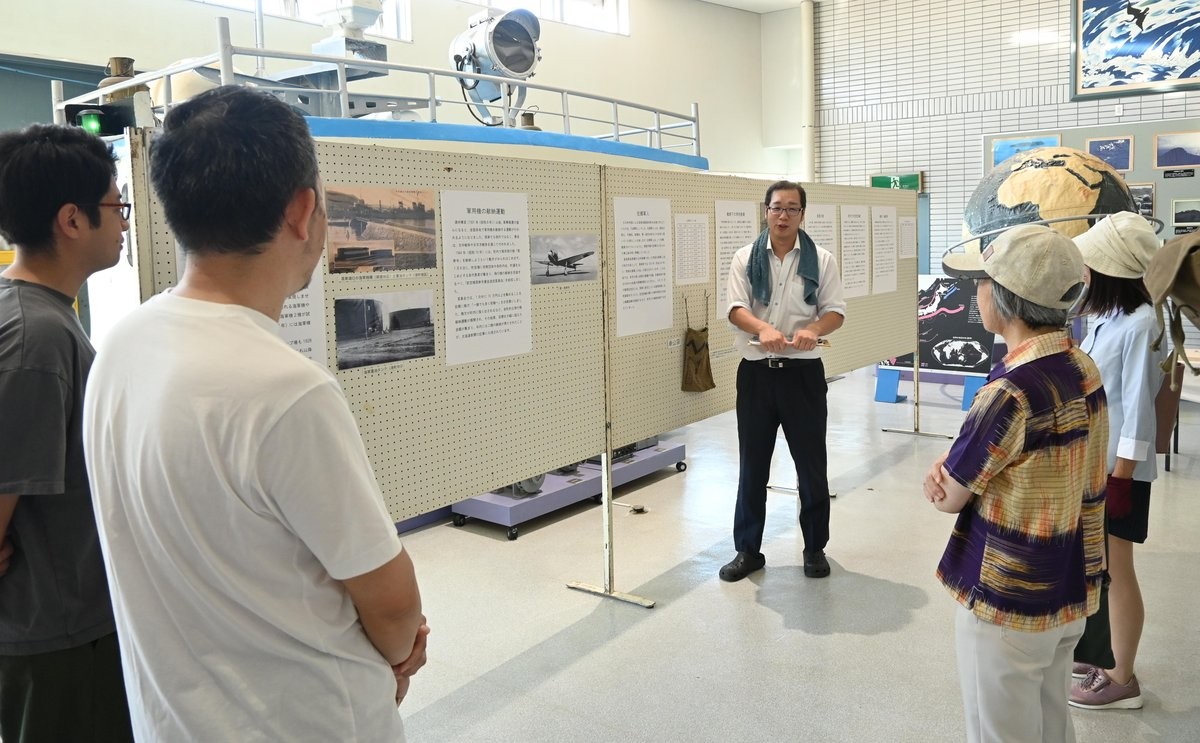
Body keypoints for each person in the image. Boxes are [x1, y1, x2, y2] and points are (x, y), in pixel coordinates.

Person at [82, 86, 427, 741]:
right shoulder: (287, 390)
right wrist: (400, 649)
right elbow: (392, 603)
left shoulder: (121, 346)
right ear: (303, 210)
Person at [925, 224, 1108, 743]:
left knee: (1000, 732)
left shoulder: (1009, 391)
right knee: (1052, 723)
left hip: (1008, 595)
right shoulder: (1082, 366)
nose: (977, 292)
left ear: (1005, 298)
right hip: (1068, 581)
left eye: (982, 282)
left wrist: (944, 474)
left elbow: (951, 494)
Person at [0, 124, 134, 741]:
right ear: (72, 219)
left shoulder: (32, 314)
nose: (125, 222)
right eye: (117, 205)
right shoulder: (39, 338)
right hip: (58, 637)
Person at [720, 180, 846, 582]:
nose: (783, 215)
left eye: (792, 208)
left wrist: (814, 328)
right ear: (766, 211)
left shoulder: (821, 259)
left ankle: (815, 548)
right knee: (752, 466)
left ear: (802, 214)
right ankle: (747, 551)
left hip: (803, 376)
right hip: (756, 374)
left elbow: (835, 311)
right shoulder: (745, 257)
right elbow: (735, 308)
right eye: (777, 207)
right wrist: (762, 328)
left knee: (811, 467)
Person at [1069, 211, 1165, 710]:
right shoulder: (1108, 318)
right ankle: (1102, 656)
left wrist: (1123, 476)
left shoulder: (1143, 324)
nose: (1084, 272)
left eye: (1091, 263)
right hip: (1096, 466)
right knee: (1099, 566)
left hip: (1118, 472)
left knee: (1118, 569)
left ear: (1111, 269)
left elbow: (1140, 408)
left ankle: (1121, 677)